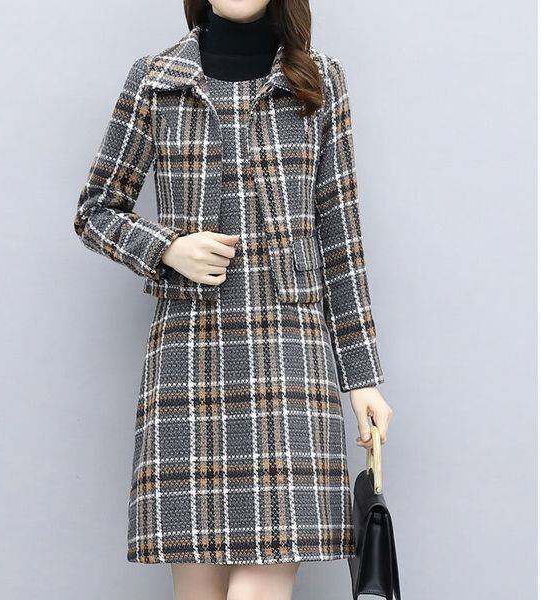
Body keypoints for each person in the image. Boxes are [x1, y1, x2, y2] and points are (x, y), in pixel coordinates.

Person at [74, 0, 394, 598]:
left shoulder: (318, 79)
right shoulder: (156, 78)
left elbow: (339, 234)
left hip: (290, 364)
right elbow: (95, 210)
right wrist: (168, 248)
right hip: (188, 363)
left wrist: (363, 380)